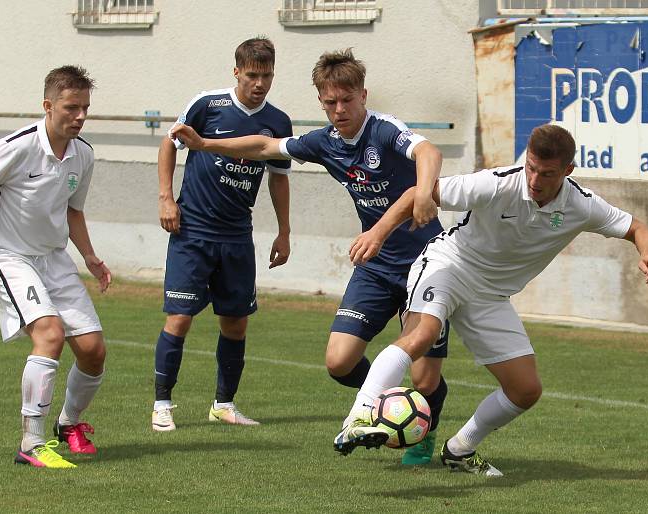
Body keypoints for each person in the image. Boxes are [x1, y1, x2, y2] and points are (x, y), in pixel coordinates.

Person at [169, 49, 451, 465]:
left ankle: (422, 428)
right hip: (375, 265)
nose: (339, 110)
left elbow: (428, 153)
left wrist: (424, 192)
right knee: (338, 362)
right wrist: (206, 142)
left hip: (426, 264)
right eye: (330, 102)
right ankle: (383, 399)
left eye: (347, 100)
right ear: (321, 101)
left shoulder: (385, 130)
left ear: (363, 95)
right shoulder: (324, 142)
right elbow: (265, 146)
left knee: (426, 380)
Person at [335, 123, 648, 475]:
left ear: (568, 171)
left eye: (547, 173)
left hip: (491, 295)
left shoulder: (581, 205)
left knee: (525, 389)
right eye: (532, 168)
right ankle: (359, 415)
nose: (535, 179)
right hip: (449, 265)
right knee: (422, 337)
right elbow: (416, 194)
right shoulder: (497, 182)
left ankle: (461, 449)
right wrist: (377, 233)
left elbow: (637, 228)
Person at [0, 66, 110, 469]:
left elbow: (74, 211)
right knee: (50, 334)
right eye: (72, 107)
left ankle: (67, 425)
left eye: (86, 108)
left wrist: (89, 257)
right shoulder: (18, 146)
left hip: (54, 259)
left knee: (93, 351)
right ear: (48, 106)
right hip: (11, 256)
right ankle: (31, 443)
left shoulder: (83, 154)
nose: (80, 116)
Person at [151, 37, 292, 431]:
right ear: (236, 72)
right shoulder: (208, 104)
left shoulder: (278, 122)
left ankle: (224, 404)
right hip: (192, 229)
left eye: (266, 76)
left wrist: (283, 231)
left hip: (236, 236)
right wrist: (166, 198)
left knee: (236, 324)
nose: (259, 83)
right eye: (252, 75)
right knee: (179, 318)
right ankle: (162, 405)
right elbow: (169, 143)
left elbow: (278, 179)